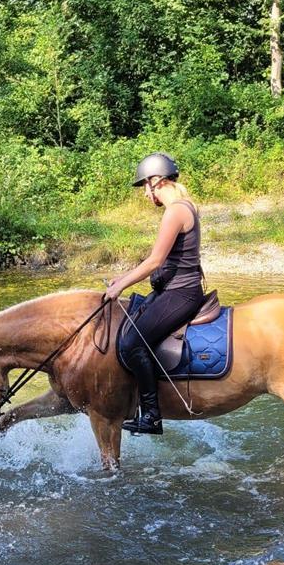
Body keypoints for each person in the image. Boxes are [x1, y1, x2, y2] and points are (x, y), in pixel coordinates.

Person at [102, 152, 205, 435]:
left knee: (132, 342)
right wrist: (121, 277)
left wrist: (121, 286)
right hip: (176, 288)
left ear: (156, 181)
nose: (146, 195)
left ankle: (151, 416)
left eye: (145, 187)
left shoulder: (176, 211)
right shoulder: (185, 207)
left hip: (181, 293)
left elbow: (155, 261)